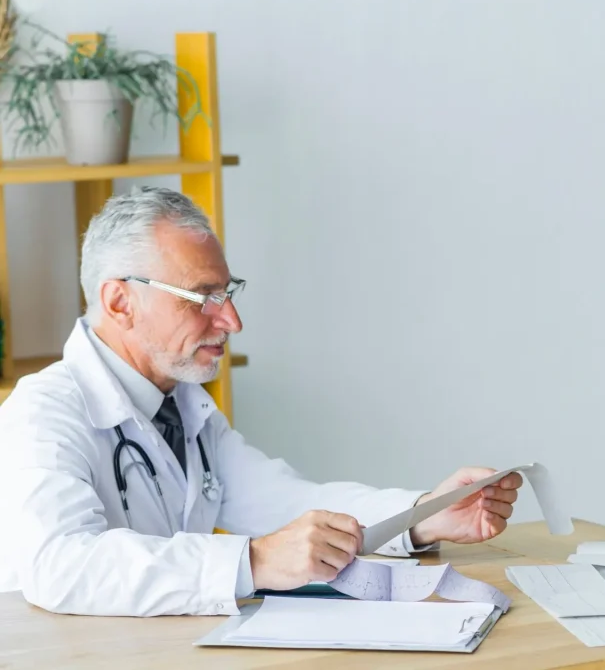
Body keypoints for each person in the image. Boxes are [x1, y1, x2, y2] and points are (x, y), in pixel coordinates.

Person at [0, 186, 522, 617]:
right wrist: (250, 560)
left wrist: (421, 515)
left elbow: (288, 502)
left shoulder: (182, 406)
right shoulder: (44, 413)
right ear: (121, 302)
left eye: (229, 294)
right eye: (205, 297)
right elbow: (59, 564)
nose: (231, 322)